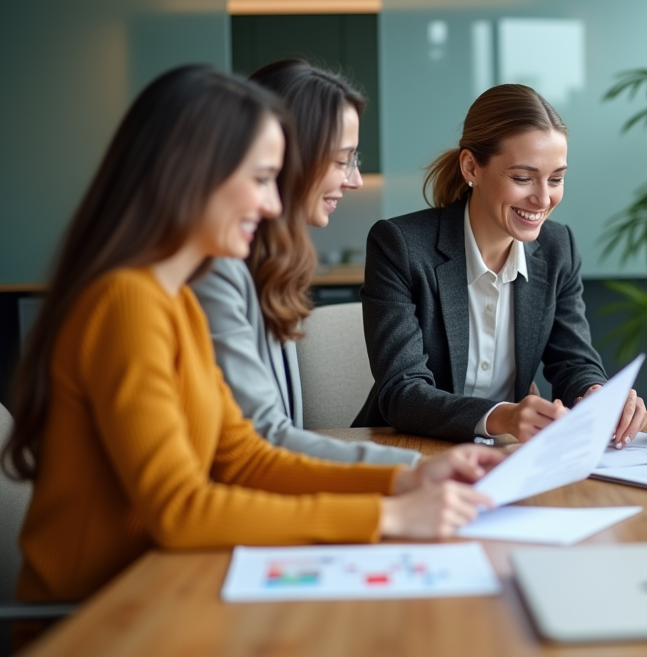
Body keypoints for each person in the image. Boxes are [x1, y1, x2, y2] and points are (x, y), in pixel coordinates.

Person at [3, 66, 503, 610]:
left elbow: (245, 457)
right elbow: (180, 511)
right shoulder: (126, 302)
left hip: (171, 590)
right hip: (105, 619)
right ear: (190, 175)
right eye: (262, 179)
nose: (271, 205)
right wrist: (388, 515)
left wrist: (408, 481)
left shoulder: (174, 300)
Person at [353, 84, 647, 444]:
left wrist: (597, 395)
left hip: (507, 456)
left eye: (556, 178)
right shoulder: (400, 246)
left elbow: (573, 362)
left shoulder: (559, 248)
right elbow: (402, 392)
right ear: (471, 167)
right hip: (409, 449)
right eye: (523, 178)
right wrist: (501, 415)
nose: (543, 198)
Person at [191, 59, 420, 466]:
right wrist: (412, 469)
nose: (355, 180)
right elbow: (263, 442)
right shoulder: (215, 273)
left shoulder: (268, 268)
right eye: (341, 160)